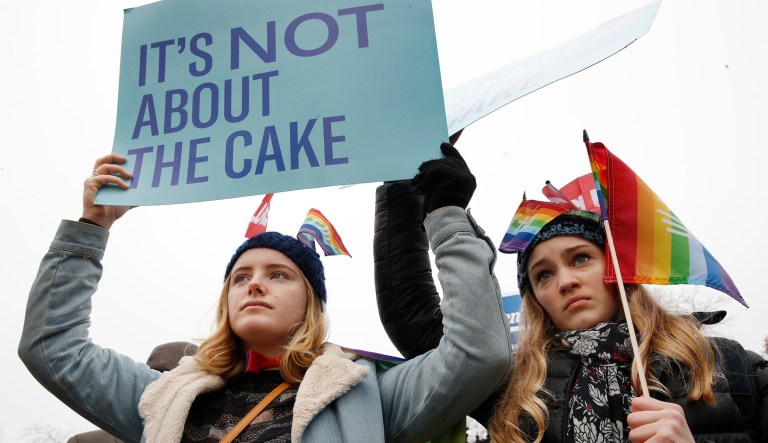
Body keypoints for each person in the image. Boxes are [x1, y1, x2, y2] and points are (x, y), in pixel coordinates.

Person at [19, 146, 512, 443]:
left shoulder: (366, 395)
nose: (254, 282)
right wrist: (91, 227)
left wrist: (446, 218)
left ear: (312, 307)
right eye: (240, 276)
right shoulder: (161, 395)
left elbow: (477, 355)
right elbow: (52, 348)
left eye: (279, 275)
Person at [373, 178, 768, 442]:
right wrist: (413, 191)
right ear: (536, 300)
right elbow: (418, 326)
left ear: (615, 268)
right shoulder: (518, 386)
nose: (564, 281)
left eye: (580, 259)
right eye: (543, 275)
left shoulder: (730, 368)